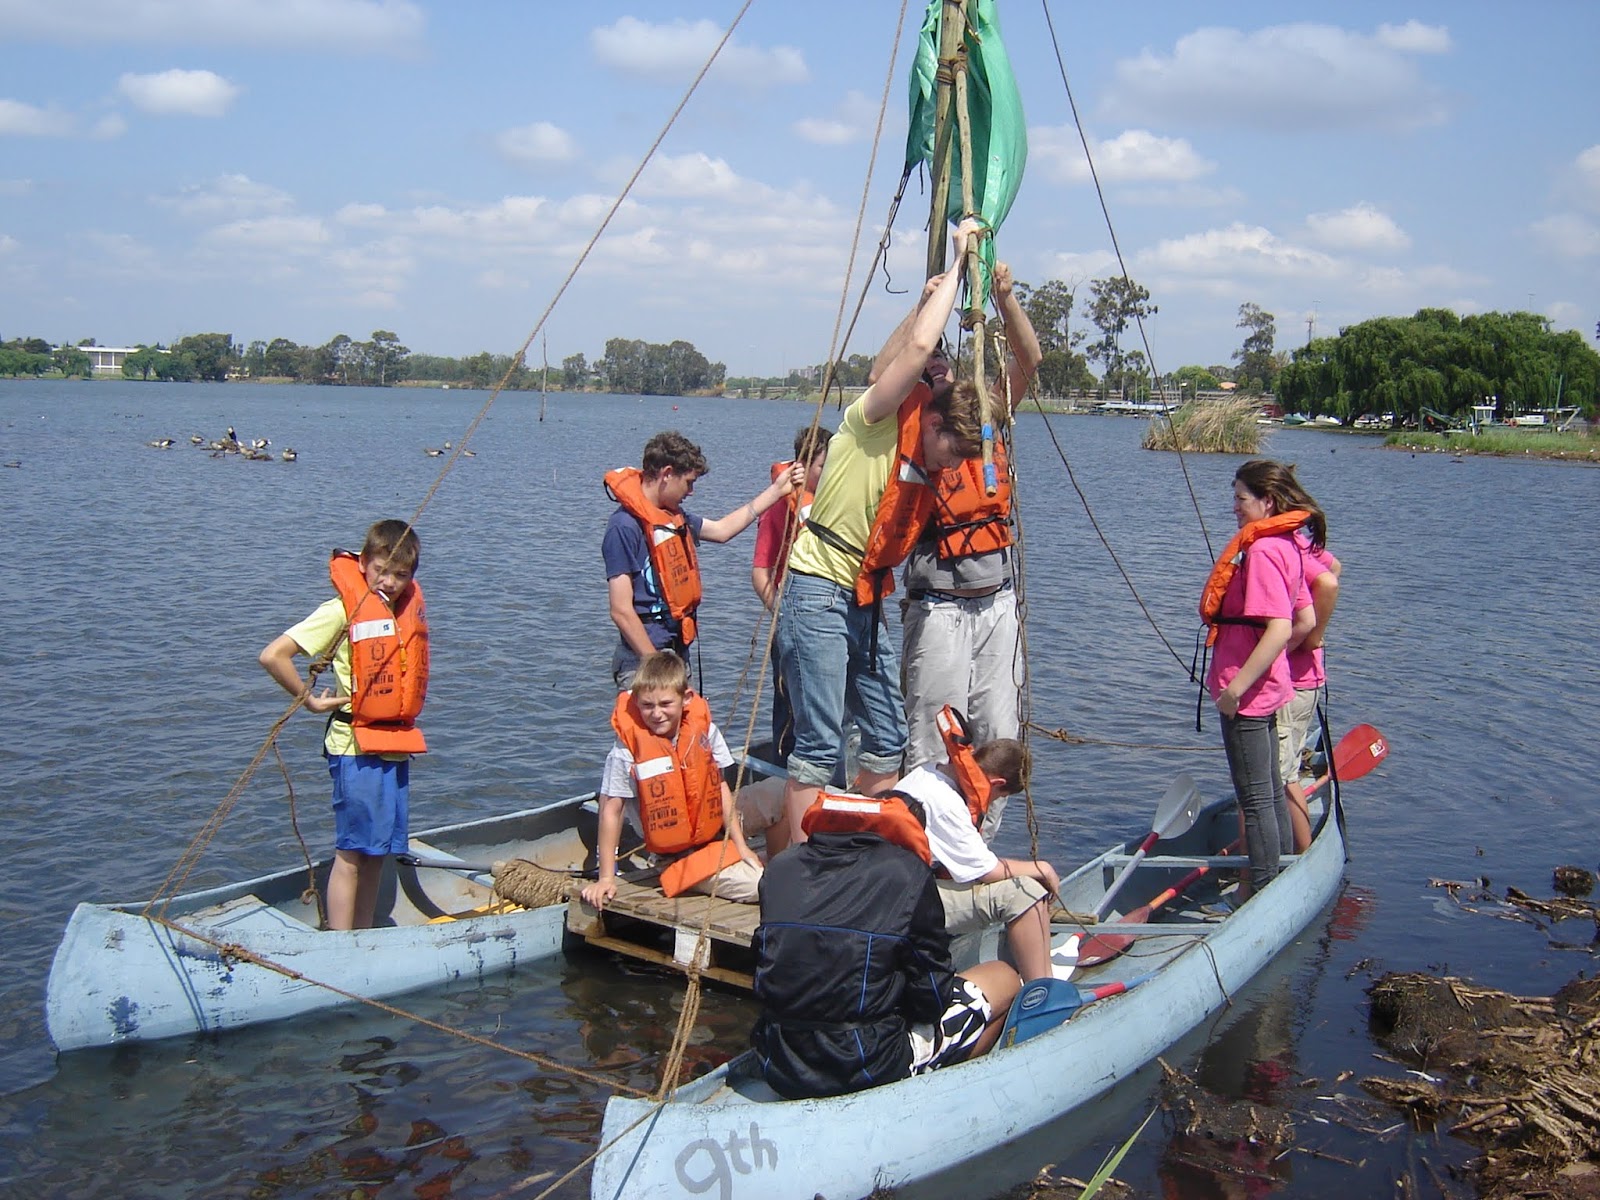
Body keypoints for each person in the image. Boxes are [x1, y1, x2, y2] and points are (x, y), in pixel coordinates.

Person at [776, 217, 989, 843]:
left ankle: (858, 849)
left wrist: (935, 299)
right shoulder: (871, 420)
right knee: (820, 744)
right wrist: (957, 264)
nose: (951, 467)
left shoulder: (928, 451)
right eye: (952, 452)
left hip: (864, 598)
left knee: (888, 735)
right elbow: (909, 355)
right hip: (818, 589)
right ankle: (802, 869)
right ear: (933, 423)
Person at [874, 262, 1041, 776]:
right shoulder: (914, 426)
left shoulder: (983, 419)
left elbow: (1029, 359)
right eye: (930, 367)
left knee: (999, 735)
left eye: (944, 364)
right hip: (939, 606)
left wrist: (1005, 298)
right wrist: (923, 307)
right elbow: (881, 375)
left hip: (997, 604)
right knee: (933, 738)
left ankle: (983, 825)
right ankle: (928, 824)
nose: (940, 370)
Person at [750, 791, 1022, 1099]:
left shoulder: (781, 867)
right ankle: (942, 1092)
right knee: (1004, 978)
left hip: (778, 1058)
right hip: (866, 1064)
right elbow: (933, 998)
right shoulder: (908, 873)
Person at [259, 519, 428, 931]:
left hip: (393, 745)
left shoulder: (403, 611)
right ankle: (339, 940)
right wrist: (310, 701)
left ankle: (363, 934)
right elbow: (273, 655)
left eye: (400, 575)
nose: (389, 583)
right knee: (352, 854)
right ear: (363, 563)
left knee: (376, 853)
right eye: (380, 571)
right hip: (353, 746)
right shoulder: (341, 610)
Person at [1199, 460, 1326, 898]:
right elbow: (1305, 619)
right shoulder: (1288, 544)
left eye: (1241, 498)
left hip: (1247, 696)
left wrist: (1236, 688)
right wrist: (1273, 668)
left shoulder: (1264, 551)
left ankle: (1264, 891)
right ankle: (1283, 873)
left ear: (1267, 502)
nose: (1234, 506)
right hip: (1267, 688)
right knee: (1270, 790)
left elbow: (1280, 627)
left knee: (1255, 799)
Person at [580, 651, 789, 910]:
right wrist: (606, 878)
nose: (656, 714)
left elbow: (720, 787)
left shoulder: (703, 730)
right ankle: (761, 873)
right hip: (676, 854)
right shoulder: (625, 751)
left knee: (782, 790)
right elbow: (611, 810)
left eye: (665, 704)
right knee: (760, 885)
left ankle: (771, 861)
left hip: (716, 825)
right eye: (647, 705)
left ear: (686, 698)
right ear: (636, 701)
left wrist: (741, 845)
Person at [603, 431, 801, 690]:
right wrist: (657, 667)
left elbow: (721, 531)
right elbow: (620, 610)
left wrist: (777, 491)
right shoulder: (623, 527)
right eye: (688, 482)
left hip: (676, 656)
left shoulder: (673, 517)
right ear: (667, 474)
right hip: (642, 664)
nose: (691, 491)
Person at [890, 714, 1059, 982]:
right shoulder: (949, 805)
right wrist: (1043, 868)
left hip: (894, 885)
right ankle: (1043, 990)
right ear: (997, 784)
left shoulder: (926, 773)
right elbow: (988, 872)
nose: (992, 802)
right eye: (1000, 797)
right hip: (904, 905)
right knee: (1025, 892)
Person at [751, 425, 832, 760]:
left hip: (834, 624)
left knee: (833, 711)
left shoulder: (838, 502)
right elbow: (760, 574)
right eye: (822, 466)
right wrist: (783, 617)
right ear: (803, 465)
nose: (829, 473)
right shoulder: (780, 506)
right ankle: (784, 773)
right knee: (791, 714)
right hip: (793, 624)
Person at [1282, 530, 1341, 852]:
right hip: (1300, 682)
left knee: (1280, 777)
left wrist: (1313, 634)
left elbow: (1329, 582)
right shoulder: (1299, 542)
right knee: (1281, 773)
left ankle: (1300, 857)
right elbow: (1334, 568)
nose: (1235, 508)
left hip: (1292, 681)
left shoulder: (1287, 546)